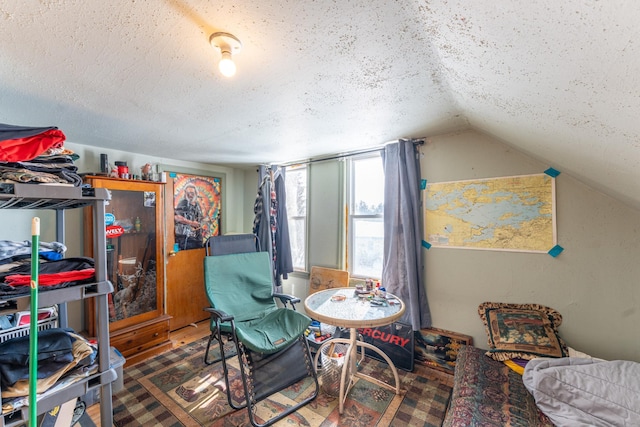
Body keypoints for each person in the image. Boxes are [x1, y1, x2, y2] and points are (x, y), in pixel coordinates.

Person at [174, 183, 204, 249]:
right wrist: (191, 223)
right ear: (185, 193)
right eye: (188, 193)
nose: (190, 195)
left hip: (197, 237)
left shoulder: (197, 205)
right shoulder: (183, 203)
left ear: (196, 193)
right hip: (185, 238)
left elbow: (199, 217)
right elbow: (177, 217)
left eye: (192, 193)